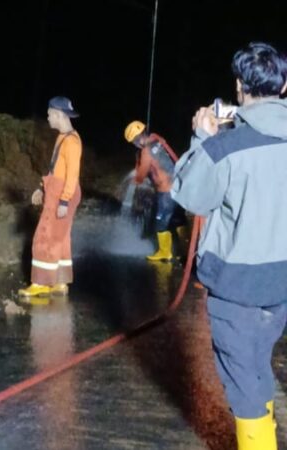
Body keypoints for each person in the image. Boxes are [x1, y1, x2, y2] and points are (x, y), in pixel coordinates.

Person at [171, 42, 287, 450]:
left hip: (238, 289)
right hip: (281, 286)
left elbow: (190, 196)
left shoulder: (225, 148)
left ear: (239, 88)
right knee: (256, 366)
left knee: (243, 384)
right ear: (284, 86)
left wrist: (201, 139)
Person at [19, 97, 82, 298]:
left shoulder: (71, 142)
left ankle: (41, 283)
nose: (47, 118)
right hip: (58, 190)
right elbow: (55, 167)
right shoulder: (63, 138)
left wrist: (63, 200)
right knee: (61, 238)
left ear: (59, 115)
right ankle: (59, 281)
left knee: (45, 236)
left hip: (63, 193)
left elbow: (72, 174)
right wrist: (41, 187)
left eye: (49, 114)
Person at [123, 121, 186, 261]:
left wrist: (136, 180)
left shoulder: (146, 150)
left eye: (133, 141)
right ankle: (185, 247)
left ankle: (165, 252)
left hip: (166, 191)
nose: (135, 144)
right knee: (177, 219)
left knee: (160, 222)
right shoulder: (157, 141)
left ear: (137, 139)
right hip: (178, 186)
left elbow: (142, 172)